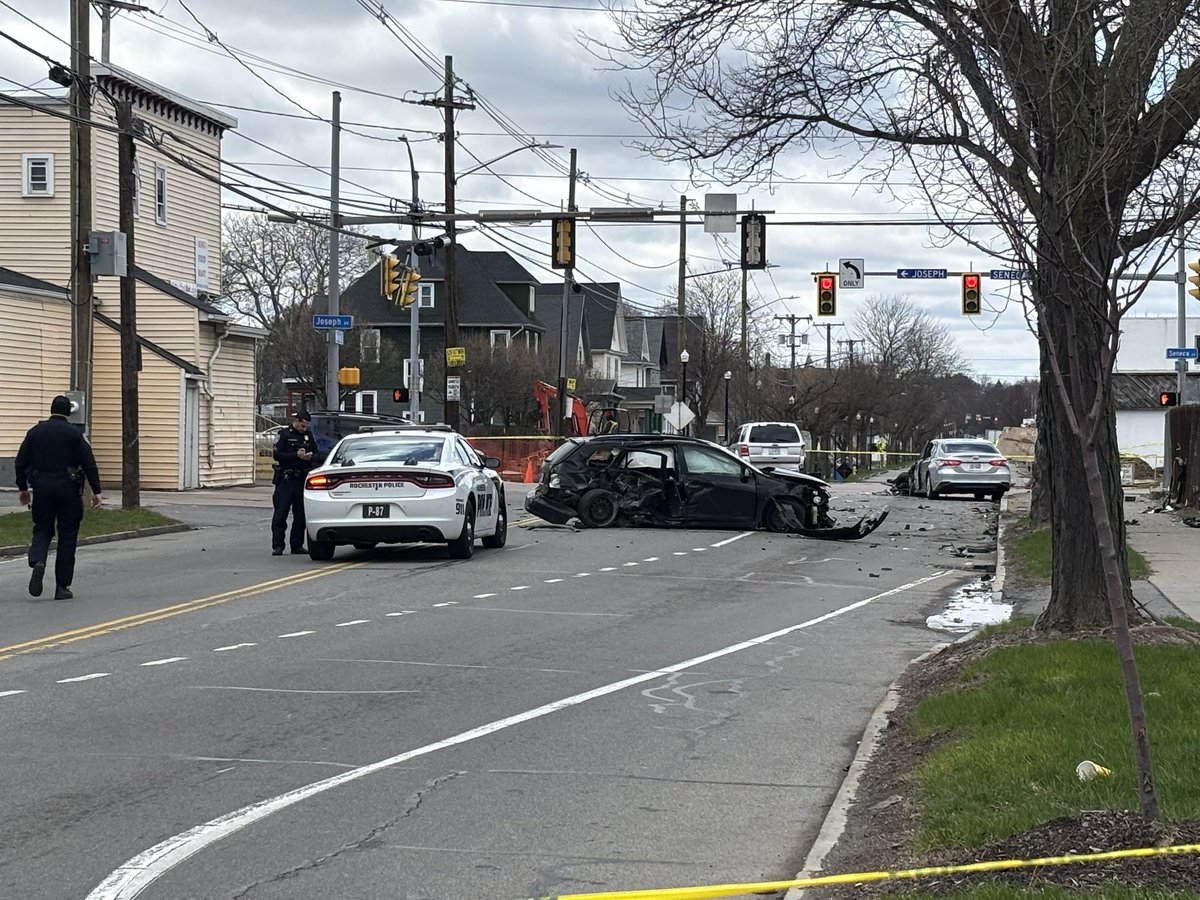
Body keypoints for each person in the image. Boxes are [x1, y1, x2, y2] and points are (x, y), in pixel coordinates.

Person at [15, 395, 103, 599]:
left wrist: (23, 488)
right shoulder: (75, 434)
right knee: (67, 535)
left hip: (42, 487)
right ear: (68, 413)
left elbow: (20, 462)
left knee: (42, 528)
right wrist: (97, 491)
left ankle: (38, 560)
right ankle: (62, 587)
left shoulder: (35, 433)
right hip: (68, 489)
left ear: (51, 410)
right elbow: (89, 463)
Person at [271, 408, 323, 556]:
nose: (304, 429)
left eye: (306, 426)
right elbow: (277, 455)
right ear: (296, 421)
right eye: (303, 426)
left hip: (302, 479)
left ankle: (297, 545)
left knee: (300, 514)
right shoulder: (284, 435)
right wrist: (295, 455)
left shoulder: (307, 436)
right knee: (281, 513)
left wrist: (310, 457)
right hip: (286, 479)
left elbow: (317, 454)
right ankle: (278, 545)